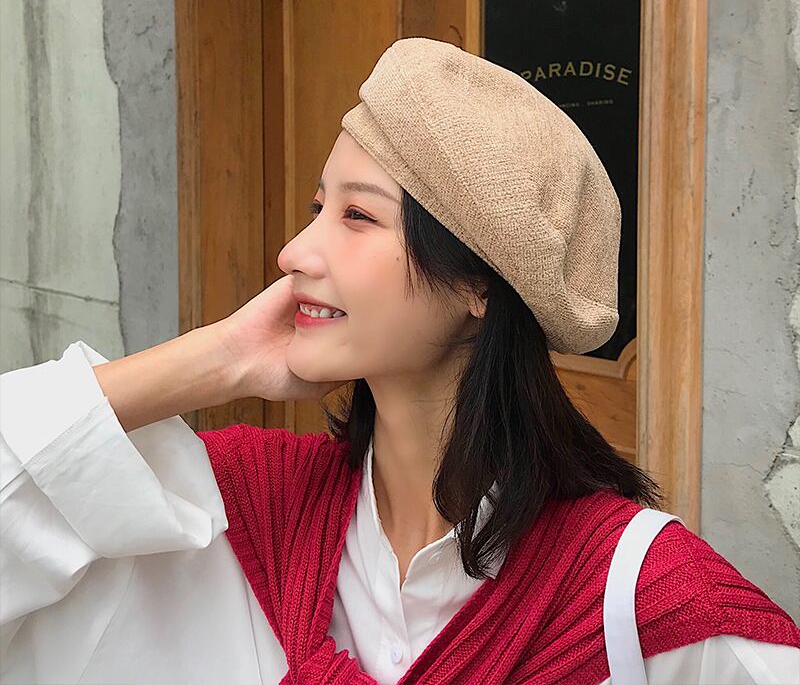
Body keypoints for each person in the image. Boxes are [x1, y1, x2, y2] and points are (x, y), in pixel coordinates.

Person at [2, 38, 799, 685]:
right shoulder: (241, 515)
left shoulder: (640, 599)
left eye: (357, 216)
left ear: (479, 283)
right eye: (319, 207)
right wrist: (219, 359)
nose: (294, 252)